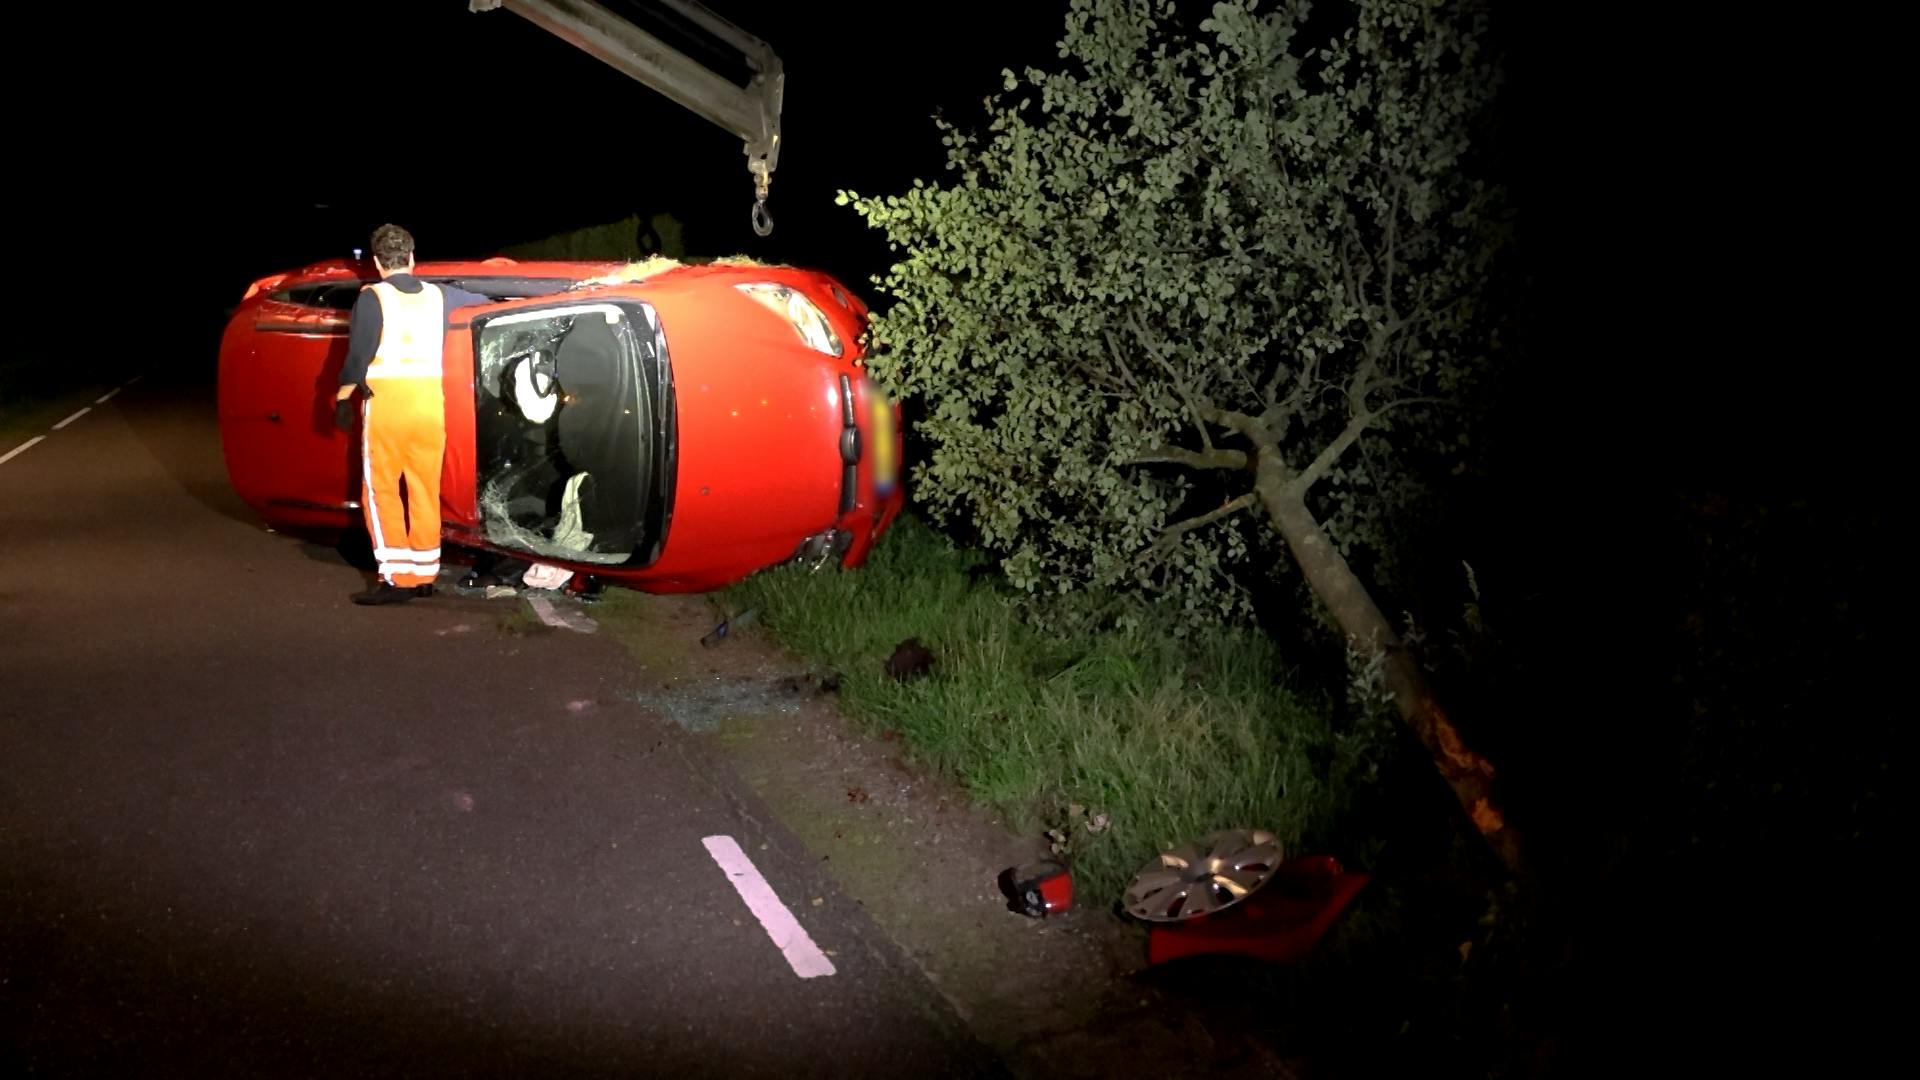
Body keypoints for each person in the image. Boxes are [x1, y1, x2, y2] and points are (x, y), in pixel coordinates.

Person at [334, 224, 491, 605]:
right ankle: (424, 575)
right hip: (429, 407)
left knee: (381, 490)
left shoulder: (373, 297)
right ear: (412, 257)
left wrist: (342, 398)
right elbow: (485, 299)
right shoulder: (440, 296)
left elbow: (358, 356)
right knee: (423, 490)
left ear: (376, 261)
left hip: (389, 406)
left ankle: (395, 578)